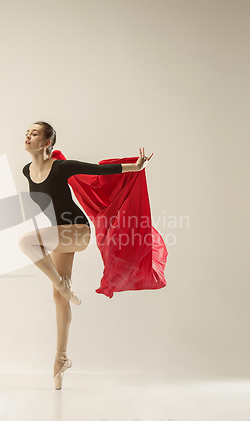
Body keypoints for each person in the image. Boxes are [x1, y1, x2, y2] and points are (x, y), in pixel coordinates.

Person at [18, 121, 153, 390]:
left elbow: (99, 171)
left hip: (77, 231)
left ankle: (62, 283)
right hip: (60, 234)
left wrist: (135, 167)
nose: (28, 135)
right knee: (58, 297)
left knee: (26, 242)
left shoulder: (61, 167)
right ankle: (61, 359)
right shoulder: (27, 171)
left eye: (34, 133)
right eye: (27, 132)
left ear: (47, 143)